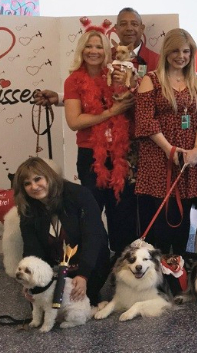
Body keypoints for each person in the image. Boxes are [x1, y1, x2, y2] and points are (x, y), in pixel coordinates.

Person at [135, 28, 197, 254]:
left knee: (183, 216)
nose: (181, 56)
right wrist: (170, 150)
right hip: (159, 157)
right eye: (176, 51)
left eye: (186, 51)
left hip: (190, 158)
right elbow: (146, 121)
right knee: (159, 217)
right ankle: (156, 275)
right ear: (166, 52)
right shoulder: (151, 80)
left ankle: (179, 270)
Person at [63, 26, 135, 253]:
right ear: (81, 50)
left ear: (106, 52)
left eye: (98, 47)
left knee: (122, 214)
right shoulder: (73, 81)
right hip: (91, 156)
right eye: (89, 46)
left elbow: (130, 106)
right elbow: (74, 121)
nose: (93, 51)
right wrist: (110, 113)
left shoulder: (115, 75)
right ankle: (93, 269)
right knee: (92, 214)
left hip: (120, 155)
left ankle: (121, 269)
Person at [13, 157, 110, 306]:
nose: (34, 186)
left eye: (38, 179)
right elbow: (32, 249)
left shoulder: (79, 194)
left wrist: (83, 275)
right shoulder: (28, 209)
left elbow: (93, 237)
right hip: (57, 269)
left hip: (91, 265)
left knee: (80, 302)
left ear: (49, 177)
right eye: (27, 183)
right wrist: (29, 283)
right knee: (46, 305)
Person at [33, 7, 160, 107]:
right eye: (123, 24)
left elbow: (162, 99)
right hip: (112, 131)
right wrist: (60, 98)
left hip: (145, 134)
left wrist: (134, 85)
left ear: (142, 28)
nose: (129, 28)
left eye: (134, 24)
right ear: (115, 29)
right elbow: (90, 89)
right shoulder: (104, 56)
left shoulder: (157, 60)